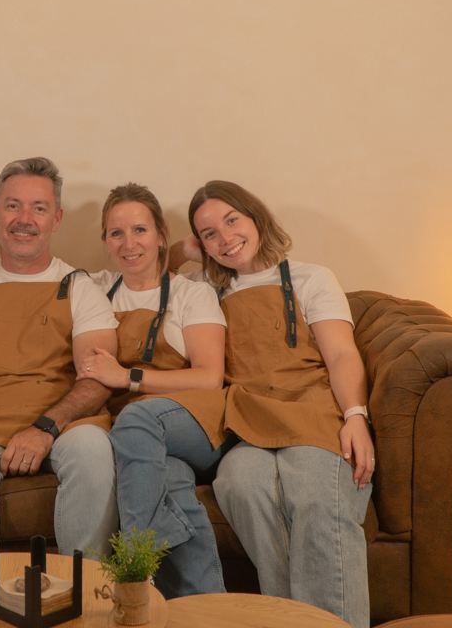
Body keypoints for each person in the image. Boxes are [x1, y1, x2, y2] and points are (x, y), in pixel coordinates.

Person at [170, 180, 375, 628]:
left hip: (313, 412)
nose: (225, 239)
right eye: (209, 234)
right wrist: (183, 250)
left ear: (256, 216)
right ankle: (290, 621)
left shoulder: (311, 277)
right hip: (247, 422)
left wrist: (355, 416)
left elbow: (341, 353)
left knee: (315, 500)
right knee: (238, 484)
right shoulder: (203, 286)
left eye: (231, 220)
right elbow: (148, 269)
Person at [0, 157, 120, 559]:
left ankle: (87, 595)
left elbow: (96, 379)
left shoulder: (79, 287)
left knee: (93, 450)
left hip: (67, 423)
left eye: (38, 208)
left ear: (56, 219)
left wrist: (44, 428)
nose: (25, 219)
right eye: (12, 205)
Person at [77, 183, 228, 599]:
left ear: (160, 234)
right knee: (174, 487)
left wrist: (127, 377)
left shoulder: (191, 294)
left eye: (140, 230)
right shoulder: (92, 289)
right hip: (139, 443)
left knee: (137, 416)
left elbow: (209, 377)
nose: (129, 243)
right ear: (105, 241)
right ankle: (209, 614)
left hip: (193, 423)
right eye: (116, 233)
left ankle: (135, 565)